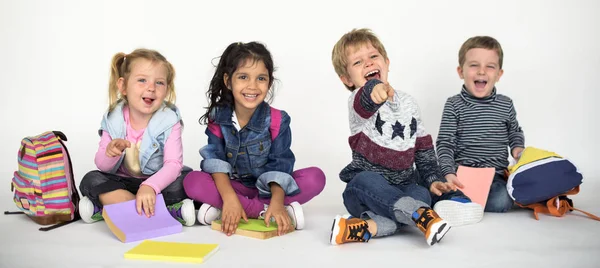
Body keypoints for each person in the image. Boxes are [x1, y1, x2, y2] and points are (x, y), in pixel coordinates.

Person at [329, 28, 461, 247]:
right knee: (366, 180)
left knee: (422, 193)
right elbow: (366, 100)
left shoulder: (409, 103)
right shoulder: (356, 100)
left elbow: (424, 150)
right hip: (364, 192)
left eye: (373, 57)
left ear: (387, 62)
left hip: (403, 186)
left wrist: (434, 179)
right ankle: (419, 215)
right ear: (347, 78)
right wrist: (374, 88)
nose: (369, 64)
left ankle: (361, 228)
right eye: (358, 63)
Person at [183, 41, 326, 236]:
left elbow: (280, 165)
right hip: (232, 187)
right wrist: (230, 198)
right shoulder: (218, 116)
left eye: (261, 78)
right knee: (192, 181)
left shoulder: (277, 120)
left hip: (269, 190)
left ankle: (244, 209)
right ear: (228, 81)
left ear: (269, 82)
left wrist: (276, 201)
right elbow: (215, 161)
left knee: (315, 177)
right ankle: (262, 210)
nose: (252, 86)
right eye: (243, 77)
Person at [78, 48, 195, 227]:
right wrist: (111, 153)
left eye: (159, 83)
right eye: (142, 80)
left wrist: (150, 187)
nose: (151, 88)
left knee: (187, 181)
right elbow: (102, 166)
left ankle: (110, 208)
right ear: (123, 86)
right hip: (122, 182)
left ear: (167, 89)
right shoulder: (114, 118)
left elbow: (173, 164)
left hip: (157, 184)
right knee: (91, 179)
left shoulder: (169, 120)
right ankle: (162, 211)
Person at [436, 36, 525, 213]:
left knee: (502, 200)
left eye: (490, 66)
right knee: (437, 186)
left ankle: (463, 203)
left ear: (499, 74)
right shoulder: (454, 104)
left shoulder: (505, 104)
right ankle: (456, 199)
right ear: (461, 71)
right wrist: (449, 173)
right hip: (461, 174)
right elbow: (445, 143)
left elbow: (514, 131)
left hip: (495, 175)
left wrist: (518, 149)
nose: (482, 72)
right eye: (474, 65)